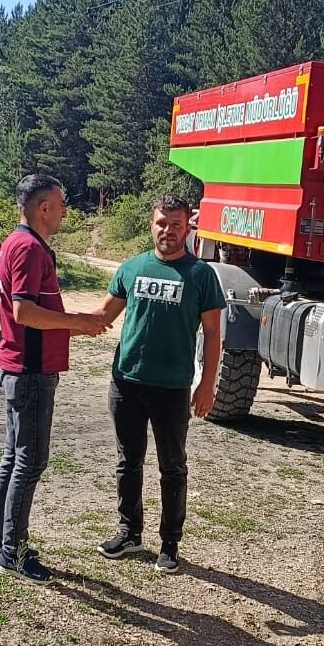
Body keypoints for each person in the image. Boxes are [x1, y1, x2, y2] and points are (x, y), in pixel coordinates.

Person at [0, 173, 109, 582]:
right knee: (30, 461)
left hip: (21, 366)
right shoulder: (30, 249)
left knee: (13, 456)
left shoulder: (18, 243)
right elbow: (25, 312)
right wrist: (78, 322)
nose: (65, 211)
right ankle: (12, 553)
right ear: (44, 208)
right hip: (30, 370)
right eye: (62, 204)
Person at [94, 194, 224, 574]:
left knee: (172, 466)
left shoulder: (201, 275)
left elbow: (213, 334)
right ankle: (130, 533)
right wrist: (51, 320)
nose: (167, 230)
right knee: (127, 462)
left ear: (188, 228)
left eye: (176, 224)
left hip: (172, 387)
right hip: (127, 382)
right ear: (152, 224)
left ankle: (170, 543)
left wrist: (207, 385)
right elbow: (102, 314)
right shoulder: (132, 268)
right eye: (161, 223)